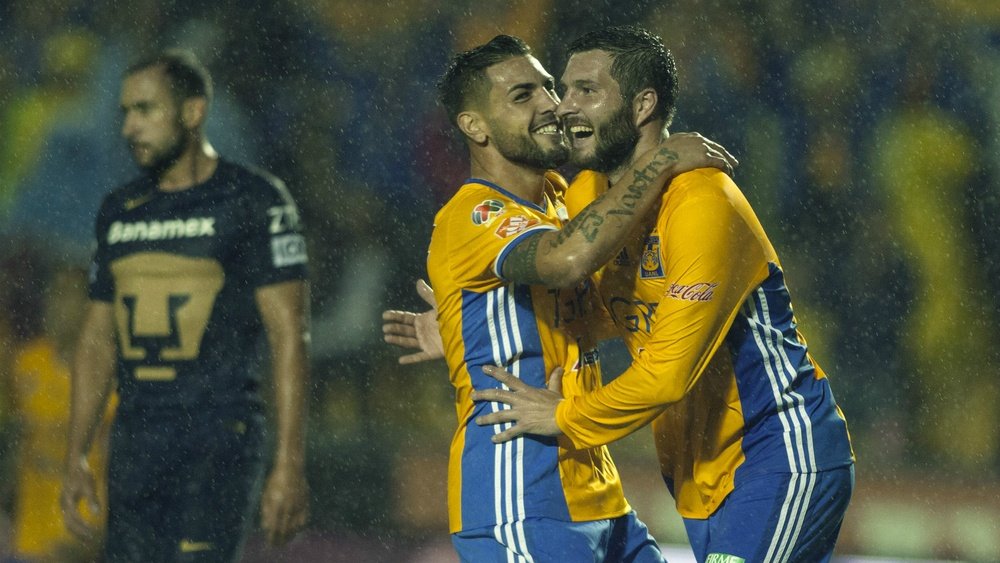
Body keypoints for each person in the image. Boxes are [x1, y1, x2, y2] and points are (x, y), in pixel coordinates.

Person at [387, 26, 855, 563]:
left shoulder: (699, 200)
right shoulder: (543, 205)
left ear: (642, 105)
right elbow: (578, 277)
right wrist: (466, 332)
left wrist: (560, 412)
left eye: (579, 90)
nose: (558, 106)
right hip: (573, 489)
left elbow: (663, 371)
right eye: (539, 92)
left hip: (775, 451)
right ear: (473, 125)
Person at [418, 34, 736, 563]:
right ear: (474, 126)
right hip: (521, 495)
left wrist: (460, 334)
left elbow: (600, 308)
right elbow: (566, 261)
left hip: (596, 491)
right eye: (523, 96)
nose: (551, 105)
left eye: (547, 87)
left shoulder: (562, 200)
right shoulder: (473, 214)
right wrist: (658, 163)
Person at [59, 49, 310, 562]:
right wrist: (76, 455)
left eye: (146, 110)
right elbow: (95, 341)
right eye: (125, 112)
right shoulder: (118, 209)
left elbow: (289, 335)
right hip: (134, 435)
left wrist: (289, 462)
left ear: (193, 112)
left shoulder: (254, 200)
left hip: (218, 434)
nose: (130, 126)